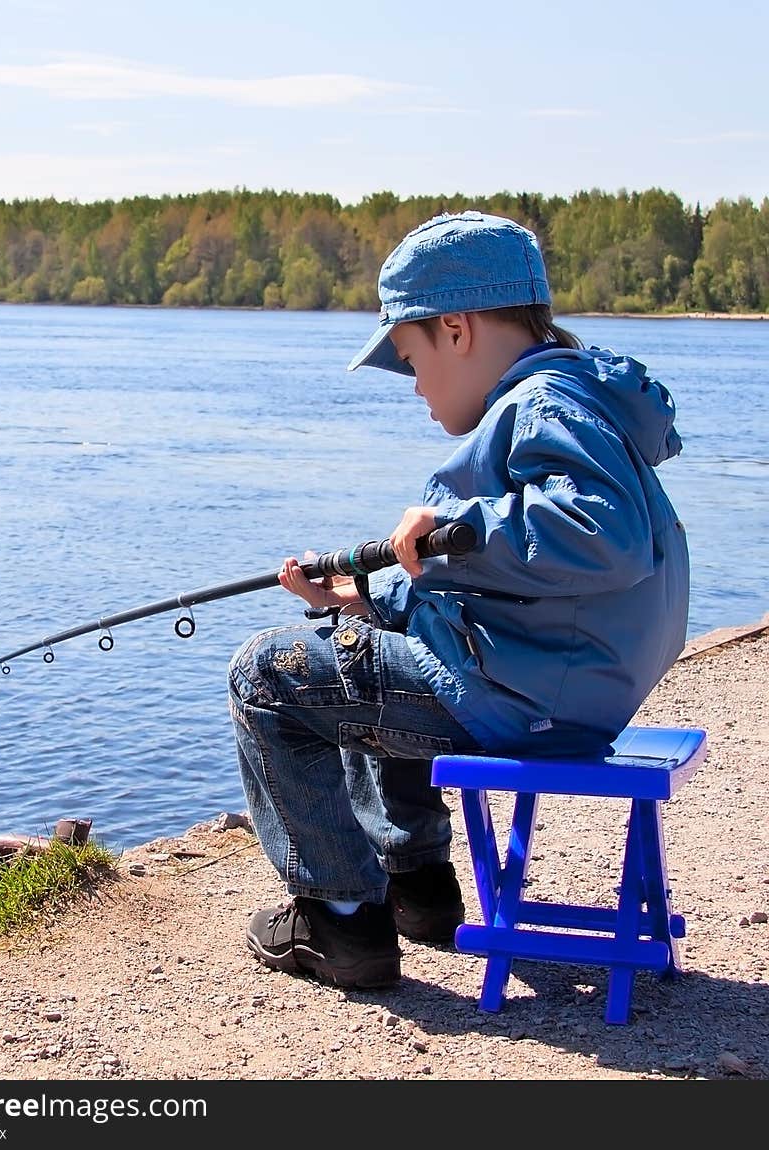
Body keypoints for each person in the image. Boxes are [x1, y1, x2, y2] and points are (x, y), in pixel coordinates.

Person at [227, 210, 690, 989]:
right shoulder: (572, 401)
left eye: (409, 359)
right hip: (555, 688)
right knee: (357, 647)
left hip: (523, 700)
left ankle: (341, 921)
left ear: (456, 329)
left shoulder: (545, 405)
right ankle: (416, 889)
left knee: (268, 675)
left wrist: (459, 520)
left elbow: (605, 534)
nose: (414, 387)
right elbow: (523, 598)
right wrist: (370, 605)